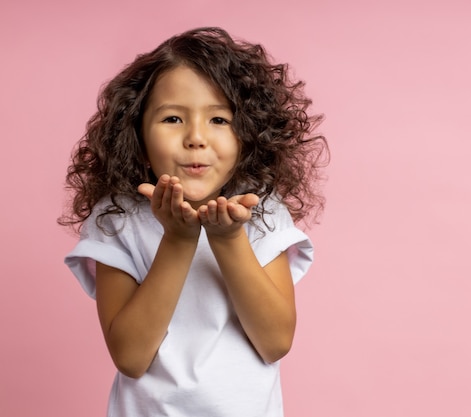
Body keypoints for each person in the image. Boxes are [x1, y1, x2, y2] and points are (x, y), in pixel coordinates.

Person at [59, 27, 327, 417]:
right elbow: (131, 357)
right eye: (172, 118)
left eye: (219, 119)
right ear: (137, 135)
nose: (196, 138)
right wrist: (179, 240)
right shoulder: (116, 217)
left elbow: (275, 342)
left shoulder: (262, 210)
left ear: (248, 134)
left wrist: (228, 238)